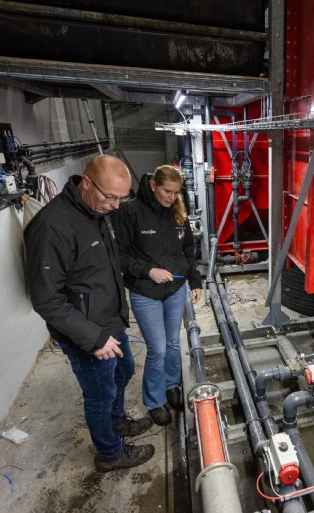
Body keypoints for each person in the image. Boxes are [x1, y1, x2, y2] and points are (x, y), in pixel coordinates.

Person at [24, 155, 155, 472]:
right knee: (100, 393)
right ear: (86, 182)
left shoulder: (97, 212)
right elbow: (46, 300)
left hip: (109, 321)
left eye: (121, 198)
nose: (116, 205)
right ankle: (110, 453)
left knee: (123, 371)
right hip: (86, 333)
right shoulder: (52, 227)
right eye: (110, 197)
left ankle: (117, 421)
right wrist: (94, 339)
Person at [115, 165, 202, 426]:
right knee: (158, 348)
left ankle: (171, 384)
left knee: (173, 343)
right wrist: (148, 271)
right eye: (167, 191)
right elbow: (119, 255)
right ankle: (154, 400)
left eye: (176, 192)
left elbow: (188, 249)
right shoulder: (130, 211)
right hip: (146, 292)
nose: (172, 197)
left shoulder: (177, 212)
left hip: (175, 290)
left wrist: (195, 281)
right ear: (153, 185)